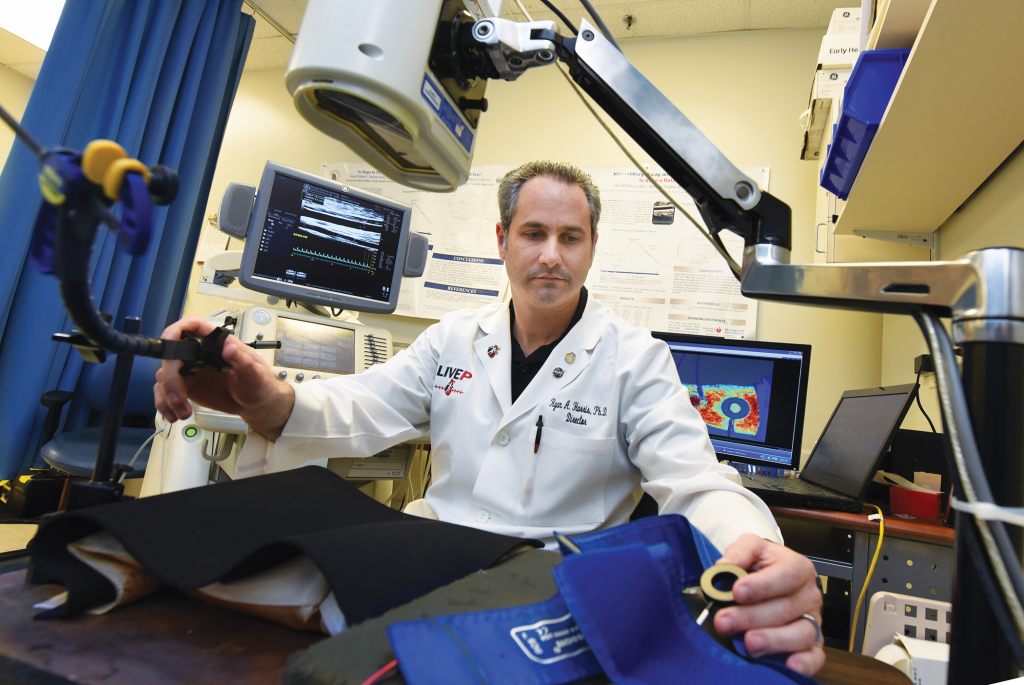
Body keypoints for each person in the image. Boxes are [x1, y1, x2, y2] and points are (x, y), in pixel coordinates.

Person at [154, 161, 824, 675]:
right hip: (429, 553)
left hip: (552, 578)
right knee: (260, 572)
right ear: (503, 240)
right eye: (534, 233)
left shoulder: (635, 359)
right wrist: (266, 396)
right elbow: (362, 405)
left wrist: (758, 550)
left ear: (592, 248)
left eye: (570, 236)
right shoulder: (452, 338)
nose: (551, 255)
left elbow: (695, 480)